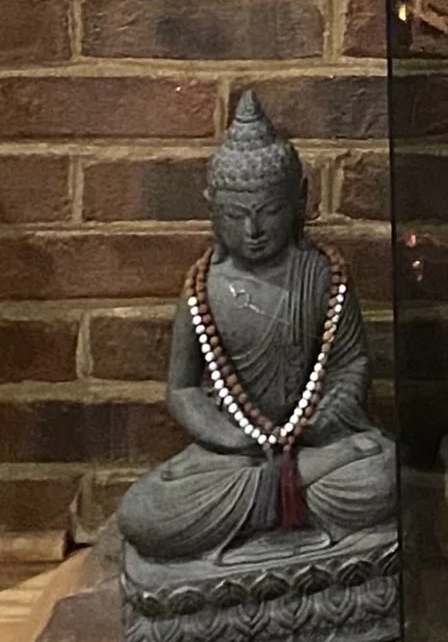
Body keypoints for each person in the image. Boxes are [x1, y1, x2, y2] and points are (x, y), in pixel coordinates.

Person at [119, 92, 394, 563]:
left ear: (300, 201)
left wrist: (319, 421)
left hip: (313, 439)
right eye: (234, 214)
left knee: (384, 477)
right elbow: (182, 390)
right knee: (146, 512)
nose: (253, 230)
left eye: (267, 211)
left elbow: (351, 363)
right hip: (235, 456)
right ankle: (289, 490)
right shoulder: (204, 289)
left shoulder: (323, 274)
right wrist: (230, 437)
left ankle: (286, 490)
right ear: (212, 210)